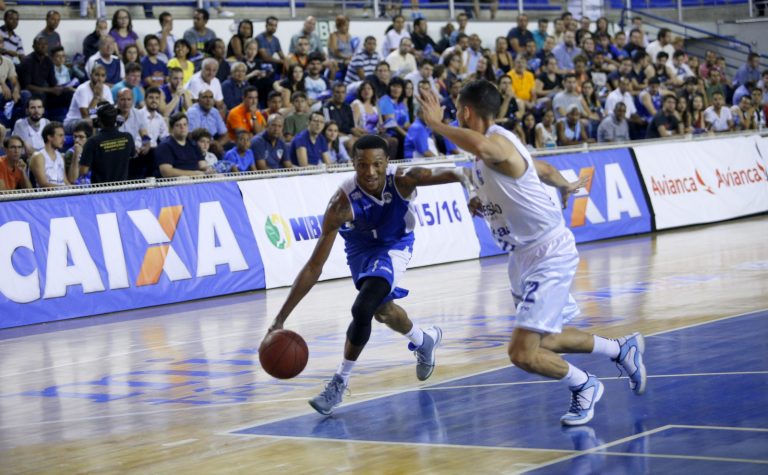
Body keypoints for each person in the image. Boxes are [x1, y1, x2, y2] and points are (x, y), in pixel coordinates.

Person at [416, 80, 647, 426]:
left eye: (456, 111)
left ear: (465, 111)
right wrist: (562, 186)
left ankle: (584, 384)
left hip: (547, 253)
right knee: (547, 338)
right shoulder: (496, 150)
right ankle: (620, 349)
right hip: (521, 257)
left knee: (522, 353)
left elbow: (483, 146)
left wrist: (435, 124)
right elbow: (545, 170)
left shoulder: (496, 142)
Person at [266, 134, 475, 415]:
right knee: (382, 311)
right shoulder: (340, 205)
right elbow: (315, 266)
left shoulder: (403, 180)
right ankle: (424, 340)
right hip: (360, 250)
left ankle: (339, 382)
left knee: (363, 308)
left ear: (387, 162)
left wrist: (473, 191)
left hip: (394, 245)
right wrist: (280, 318)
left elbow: (457, 173)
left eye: (377, 164)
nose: (370, 172)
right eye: (362, 165)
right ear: (353, 164)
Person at [78, 103, 134, 184]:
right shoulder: (128, 137)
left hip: (101, 190)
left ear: (99, 121)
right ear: (116, 119)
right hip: (122, 188)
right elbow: (132, 155)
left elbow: (83, 171)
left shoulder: (92, 142)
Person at [157, 113, 214, 177]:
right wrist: (194, 174)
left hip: (195, 180)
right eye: (178, 125)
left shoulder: (193, 144)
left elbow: (202, 165)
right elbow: (167, 172)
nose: (182, 127)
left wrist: (209, 169)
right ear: (171, 129)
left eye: (185, 124)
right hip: (176, 181)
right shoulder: (165, 146)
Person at [29, 121, 72, 187]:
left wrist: (74, 189)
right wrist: (64, 189)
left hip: (62, 192)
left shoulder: (61, 156)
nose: (64, 140)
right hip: (47, 193)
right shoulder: (38, 156)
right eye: (60, 136)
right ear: (49, 137)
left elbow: (65, 181)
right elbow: (43, 184)